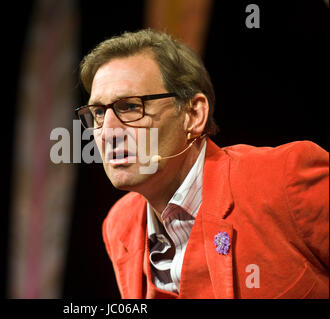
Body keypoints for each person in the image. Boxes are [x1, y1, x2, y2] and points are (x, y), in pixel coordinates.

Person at [75, 29, 329, 298]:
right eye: (99, 113)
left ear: (194, 115)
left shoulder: (284, 179)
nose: (108, 131)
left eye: (129, 106)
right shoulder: (119, 225)